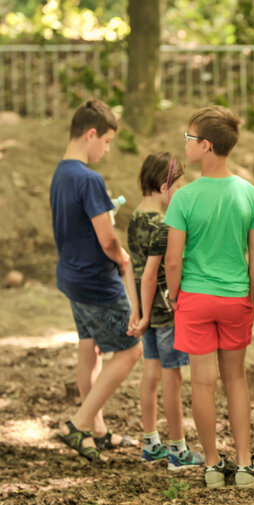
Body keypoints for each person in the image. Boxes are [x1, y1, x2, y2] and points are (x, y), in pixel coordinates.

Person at [164, 106, 254, 489]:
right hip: (235, 298)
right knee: (236, 381)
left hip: (194, 298)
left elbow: (173, 259)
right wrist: (250, 295)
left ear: (206, 146)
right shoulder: (248, 192)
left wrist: (174, 296)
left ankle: (211, 465)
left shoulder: (184, 198)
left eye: (189, 139)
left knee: (203, 385)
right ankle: (244, 465)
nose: (186, 145)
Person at [51, 99, 142, 462]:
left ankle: (97, 430)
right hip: (96, 282)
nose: (106, 149)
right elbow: (107, 239)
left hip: (71, 276)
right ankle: (79, 423)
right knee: (130, 350)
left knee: (89, 348)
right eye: (105, 141)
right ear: (91, 134)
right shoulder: (89, 179)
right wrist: (122, 257)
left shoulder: (60, 172)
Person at [126, 152, 203, 470]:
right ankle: (178, 451)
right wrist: (144, 316)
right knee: (173, 380)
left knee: (151, 374)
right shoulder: (162, 225)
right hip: (166, 315)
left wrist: (136, 309)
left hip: (147, 310)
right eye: (180, 185)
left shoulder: (133, 218)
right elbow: (149, 275)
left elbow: (130, 266)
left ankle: (150, 442)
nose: (182, 191)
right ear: (163, 186)